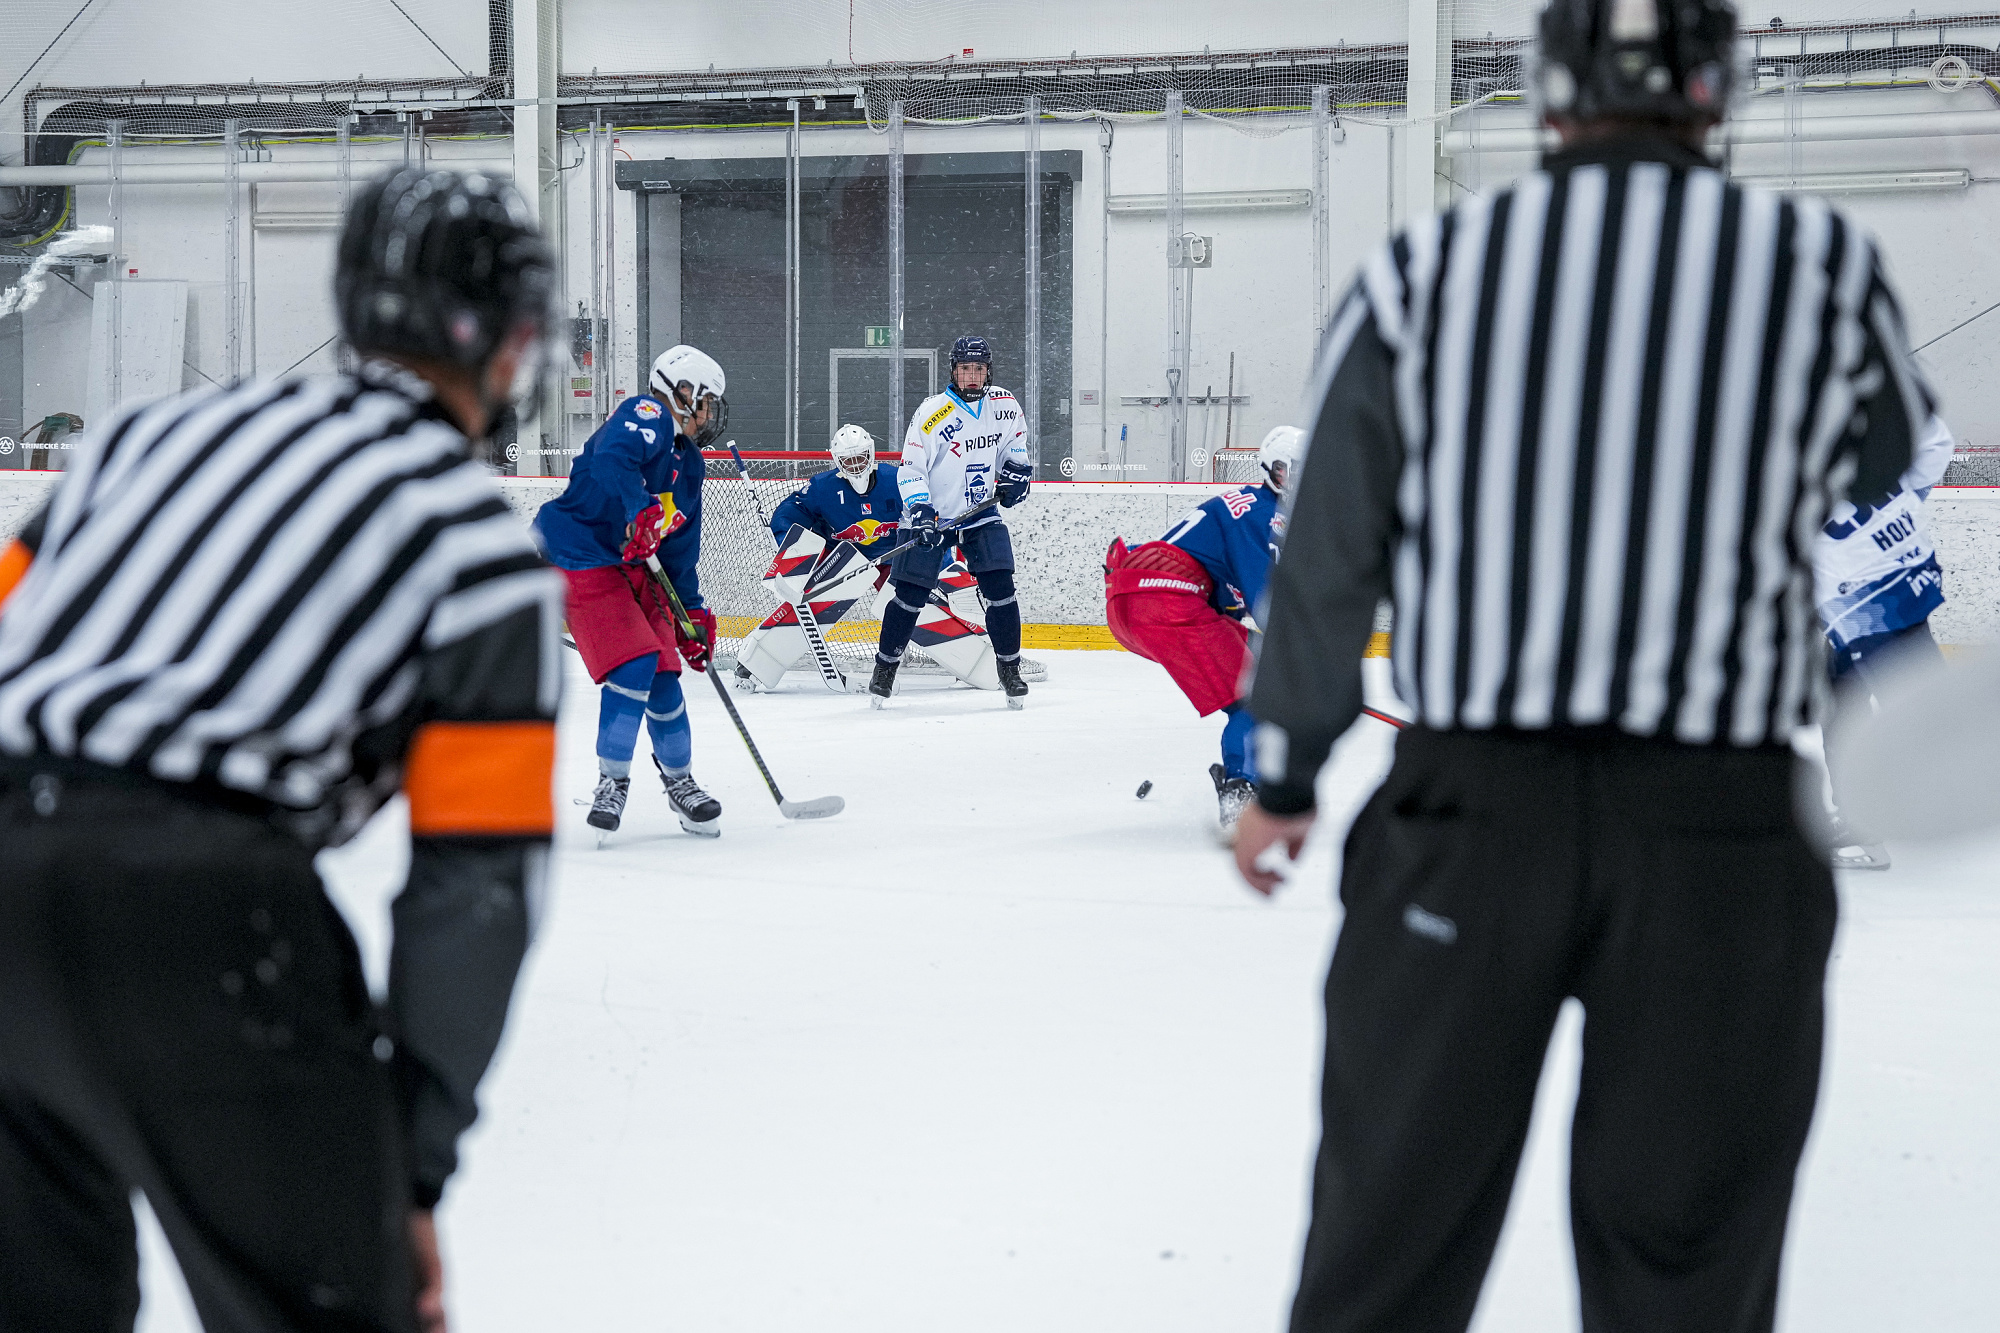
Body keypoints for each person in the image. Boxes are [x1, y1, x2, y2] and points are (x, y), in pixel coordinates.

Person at [1232, 0, 1934, 1328]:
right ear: (1716, 91)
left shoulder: (1422, 270)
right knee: (1686, 1274)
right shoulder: (1817, 264)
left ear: (1549, 94)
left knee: (1387, 1249)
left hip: (1469, 820)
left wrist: (1283, 773)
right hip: (1717, 829)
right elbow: (1885, 456)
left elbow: (1328, 553)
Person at [0, 166, 561, 1333]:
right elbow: (474, 886)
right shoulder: (475, 546)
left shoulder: (147, 438)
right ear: (511, 342)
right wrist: (405, 1171)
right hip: (197, 916)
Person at [534, 345, 728, 839]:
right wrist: (638, 506)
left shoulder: (691, 464)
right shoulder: (647, 414)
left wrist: (691, 615)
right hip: (582, 556)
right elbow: (612, 459)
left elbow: (679, 549)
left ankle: (680, 782)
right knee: (635, 663)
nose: (709, 415)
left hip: (638, 570)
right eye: (706, 402)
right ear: (684, 393)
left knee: (663, 674)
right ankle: (612, 781)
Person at [1105, 424, 1300, 833]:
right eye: (1288, 470)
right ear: (1270, 469)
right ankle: (1241, 793)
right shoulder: (1264, 513)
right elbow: (1267, 603)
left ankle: (1245, 777)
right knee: (1257, 695)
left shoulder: (1252, 507)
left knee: (1258, 668)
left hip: (1141, 600)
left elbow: (1235, 607)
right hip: (1166, 599)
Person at [1813, 413, 1955, 870]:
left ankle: (1865, 827)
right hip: (1901, 572)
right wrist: (1905, 501)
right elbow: (1934, 439)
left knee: (1852, 706)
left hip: (1859, 597)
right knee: (1911, 698)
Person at [871, 335, 1034, 708]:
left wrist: (1017, 476)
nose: (972, 376)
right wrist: (921, 511)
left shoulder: (1005, 405)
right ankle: (885, 670)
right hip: (932, 516)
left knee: (1001, 589)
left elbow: (1015, 451)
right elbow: (911, 470)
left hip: (980, 514)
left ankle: (1010, 670)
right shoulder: (933, 412)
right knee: (910, 596)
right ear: (953, 371)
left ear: (988, 371)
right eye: (965, 369)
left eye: (978, 368)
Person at [733, 425, 904, 691]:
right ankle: (754, 664)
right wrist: (787, 541)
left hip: (894, 556)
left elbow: (926, 512)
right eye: (848, 460)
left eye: (860, 458)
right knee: (813, 604)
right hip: (845, 558)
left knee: (912, 603)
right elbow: (790, 511)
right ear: (837, 461)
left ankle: (968, 652)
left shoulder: (897, 479)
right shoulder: (823, 487)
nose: (856, 466)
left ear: (871, 454)